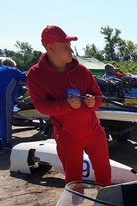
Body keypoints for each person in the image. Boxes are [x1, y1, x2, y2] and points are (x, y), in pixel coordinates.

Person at [28, 25, 111, 186]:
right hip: (68, 135)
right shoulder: (36, 74)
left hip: (94, 130)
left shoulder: (81, 70)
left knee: (104, 172)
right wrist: (66, 105)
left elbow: (98, 97)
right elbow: (41, 106)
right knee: (74, 179)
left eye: (70, 46)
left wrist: (93, 101)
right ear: (50, 47)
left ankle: (106, 205)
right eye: (65, 47)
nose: (71, 51)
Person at [0, 58, 26, 150]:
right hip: (3, 97)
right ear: (12, 65)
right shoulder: (12, 70)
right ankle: (6, 144)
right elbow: (28, 79)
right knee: (6, 120)